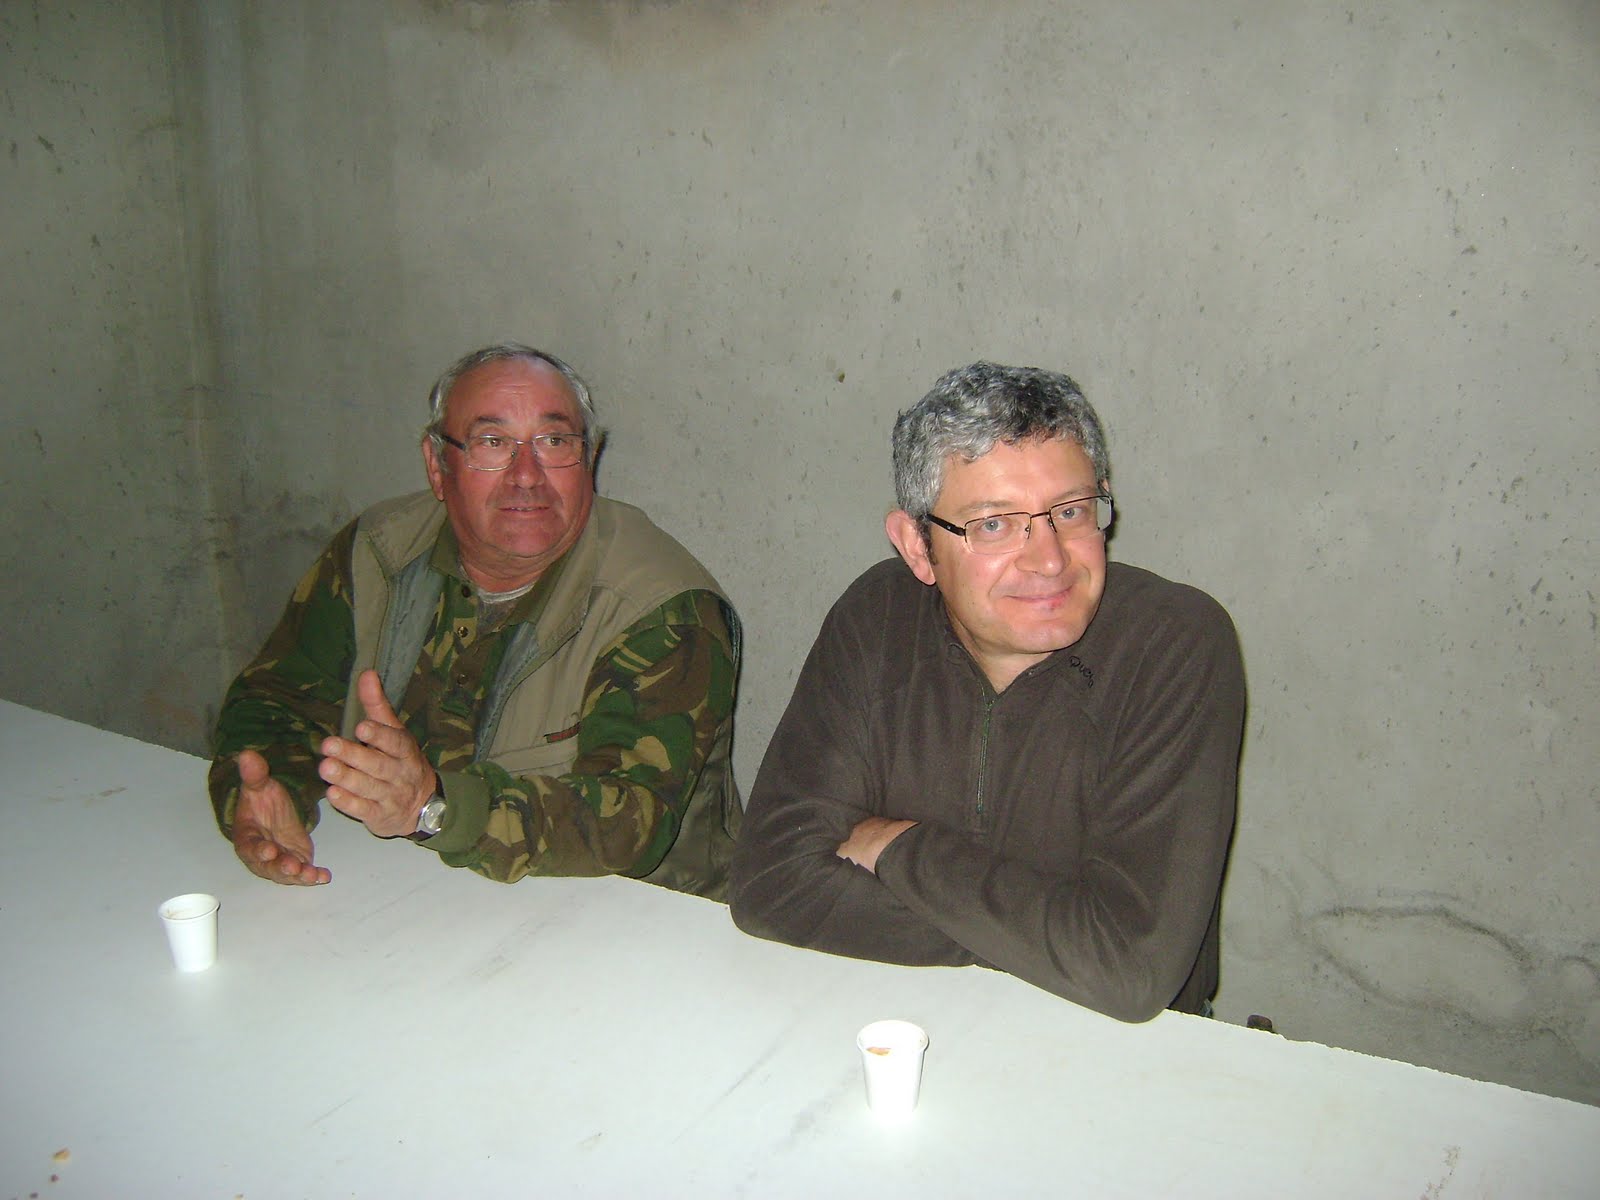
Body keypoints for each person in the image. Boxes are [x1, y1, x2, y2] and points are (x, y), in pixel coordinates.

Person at [728, 361, 1244, 1019]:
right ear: (917, 546)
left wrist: (899, 848)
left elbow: (1128, 967)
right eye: (994, 524)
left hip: (1118, 1055)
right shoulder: (876, 619)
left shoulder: (1173, 644)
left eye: (1071, 511)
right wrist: (1045, 951)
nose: (1049, 559)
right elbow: (771, 882)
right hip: (902, 1018)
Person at [208, 343, 741, 898]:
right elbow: (278, 698)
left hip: (626, 917)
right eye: (492, 443)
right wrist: (266, 791)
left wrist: (434, 808)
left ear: (590, 458)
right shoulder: (377, 553)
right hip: (401, 895)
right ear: (437, 465)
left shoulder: (661, 607)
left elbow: (629, 820)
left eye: (554, 441)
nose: (527, 476)